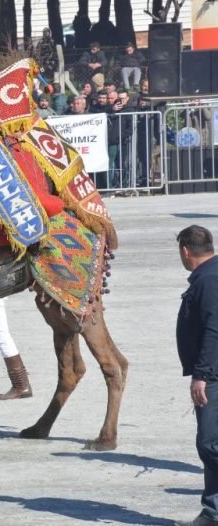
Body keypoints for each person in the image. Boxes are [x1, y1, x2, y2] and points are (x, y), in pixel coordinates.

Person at [174, 225, 218, 526]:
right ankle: (213, 512)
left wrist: (201, 374)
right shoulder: (210, 275)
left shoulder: (209, 281)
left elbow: (214, 330)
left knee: (209, 443)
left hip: (213, 375)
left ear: (186, 251)